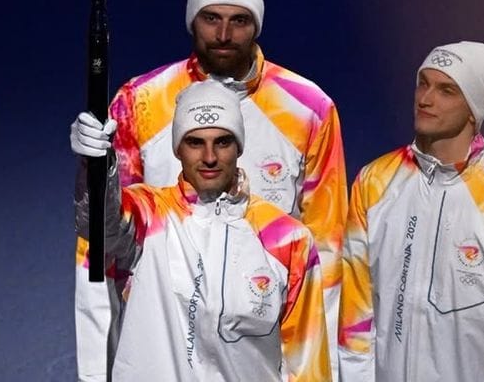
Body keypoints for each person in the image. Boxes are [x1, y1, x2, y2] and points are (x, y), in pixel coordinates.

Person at [70, 0, 348, 380]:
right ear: (190, 20)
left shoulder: (308, 109)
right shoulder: (141, 102)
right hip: (160, 337)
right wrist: (93, 164)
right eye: (210, 18)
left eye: (239, 20)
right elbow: (102, 239)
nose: (223, 34)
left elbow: (325, 252)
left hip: (253, 335)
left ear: (257, 23)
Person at [72, 80, 331, 381]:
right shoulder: (151, 215)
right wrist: (95, 165)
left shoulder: (287, 239)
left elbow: (308, 363)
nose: (209, 157)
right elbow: (100, 222)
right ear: (178, 149)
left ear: (239, 147)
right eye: (195, 142)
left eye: (222, 141)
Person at [337, 41, 484, 381]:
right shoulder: (375, 182)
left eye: (446, 90)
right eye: (423, 83)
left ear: (474, 108)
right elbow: (355, 316)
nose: (426, 98)